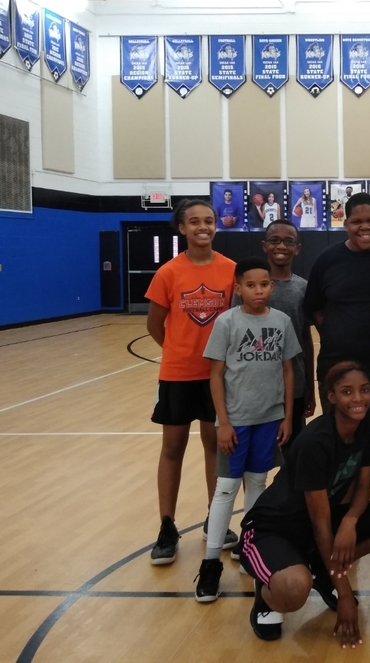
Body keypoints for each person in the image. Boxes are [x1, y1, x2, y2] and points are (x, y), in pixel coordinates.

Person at [238, 362, 370, 647]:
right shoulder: (315, 442)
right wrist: (344, 594)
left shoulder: (367, 424)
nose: (358, 398)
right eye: (347, 392)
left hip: (319, 524)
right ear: (331, 397)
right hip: (272, 530)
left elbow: (363, 486)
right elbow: (320, 523)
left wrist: (350, 521)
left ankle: (324, 570)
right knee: (295, 588)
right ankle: (267, 595)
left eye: (364, 390)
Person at [304, 193, 370, 566]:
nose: (365, 227)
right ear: (345, 224)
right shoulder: (328, 260)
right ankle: (342, 521)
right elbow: (315, 310)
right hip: (337, 368)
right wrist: (342, 337)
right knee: (341, 446)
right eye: (357, 221)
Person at [195, 257, 299, 603]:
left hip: (269, 419)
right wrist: (223, 422)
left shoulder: (282, 321)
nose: (259, 290)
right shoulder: (227, 322)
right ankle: (211, 564)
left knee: (257, 483)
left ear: (272, 286)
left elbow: (288, 370)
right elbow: (215, 374)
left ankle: (249, 546)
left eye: (264, 284)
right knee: (225, 488)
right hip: (236, 421)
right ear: (238, 288)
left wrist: (286, 416)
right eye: (251, 285)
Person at [145, 199, 236, 565]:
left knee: (215, 446)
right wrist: (177, 351)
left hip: (218, 375)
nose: (203, 226)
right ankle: (167, 526)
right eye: (194, 221)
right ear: (181, 228)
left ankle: (216, 520)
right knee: (173, 448)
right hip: (178, 375)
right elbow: (154, 323)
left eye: (209, 220)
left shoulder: (230, 270)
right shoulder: (168, 272)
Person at [248, 221, 315, 433]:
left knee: (292, 448)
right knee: (259, 450)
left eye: (288, 241)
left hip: (294, 387)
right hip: (254, 387)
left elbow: (306, 338)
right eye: (274, 240)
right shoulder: (249, 288)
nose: (281, 246)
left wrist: (310, 386)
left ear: (298, 248)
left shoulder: (303, 288)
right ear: (264, 245)